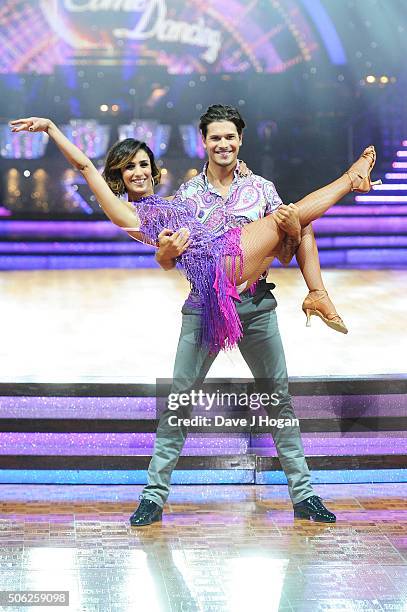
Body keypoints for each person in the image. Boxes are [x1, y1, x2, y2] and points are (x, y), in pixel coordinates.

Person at [11, 110, 378, 525]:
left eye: (143, 165)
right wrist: (53, 130)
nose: (138, 172)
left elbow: (285, 247)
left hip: (254, 301)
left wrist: (289, 230)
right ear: (203, 141)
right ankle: (153, 497)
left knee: (280, 397)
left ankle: (304, 494)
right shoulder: (143, 213)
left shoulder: (214, 196)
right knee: (177, 403)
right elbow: (84, 167)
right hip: (208, 297)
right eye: (129, 168)